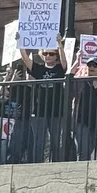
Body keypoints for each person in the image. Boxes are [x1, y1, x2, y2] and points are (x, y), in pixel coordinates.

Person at [19, 35, 69, 163]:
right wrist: (20, 42)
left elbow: (65, 62)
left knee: (56, 141)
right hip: (39, 110)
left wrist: (59, 44)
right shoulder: (39, 69)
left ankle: (56, 164)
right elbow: (25, 59)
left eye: (51, 54)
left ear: (56, 56)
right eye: (45, 53)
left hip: (56, 111)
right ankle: (37, 165)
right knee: (39, 141)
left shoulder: (59, 69)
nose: (48, 56)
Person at [71, 58, 97, 161]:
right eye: (89, 65)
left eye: (95, 65)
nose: (91, 68)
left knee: (91, 150)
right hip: (82, 121)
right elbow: (68, 86)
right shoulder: (81, 82)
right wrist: (74, 66)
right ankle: (80, 174)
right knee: (83, 152)